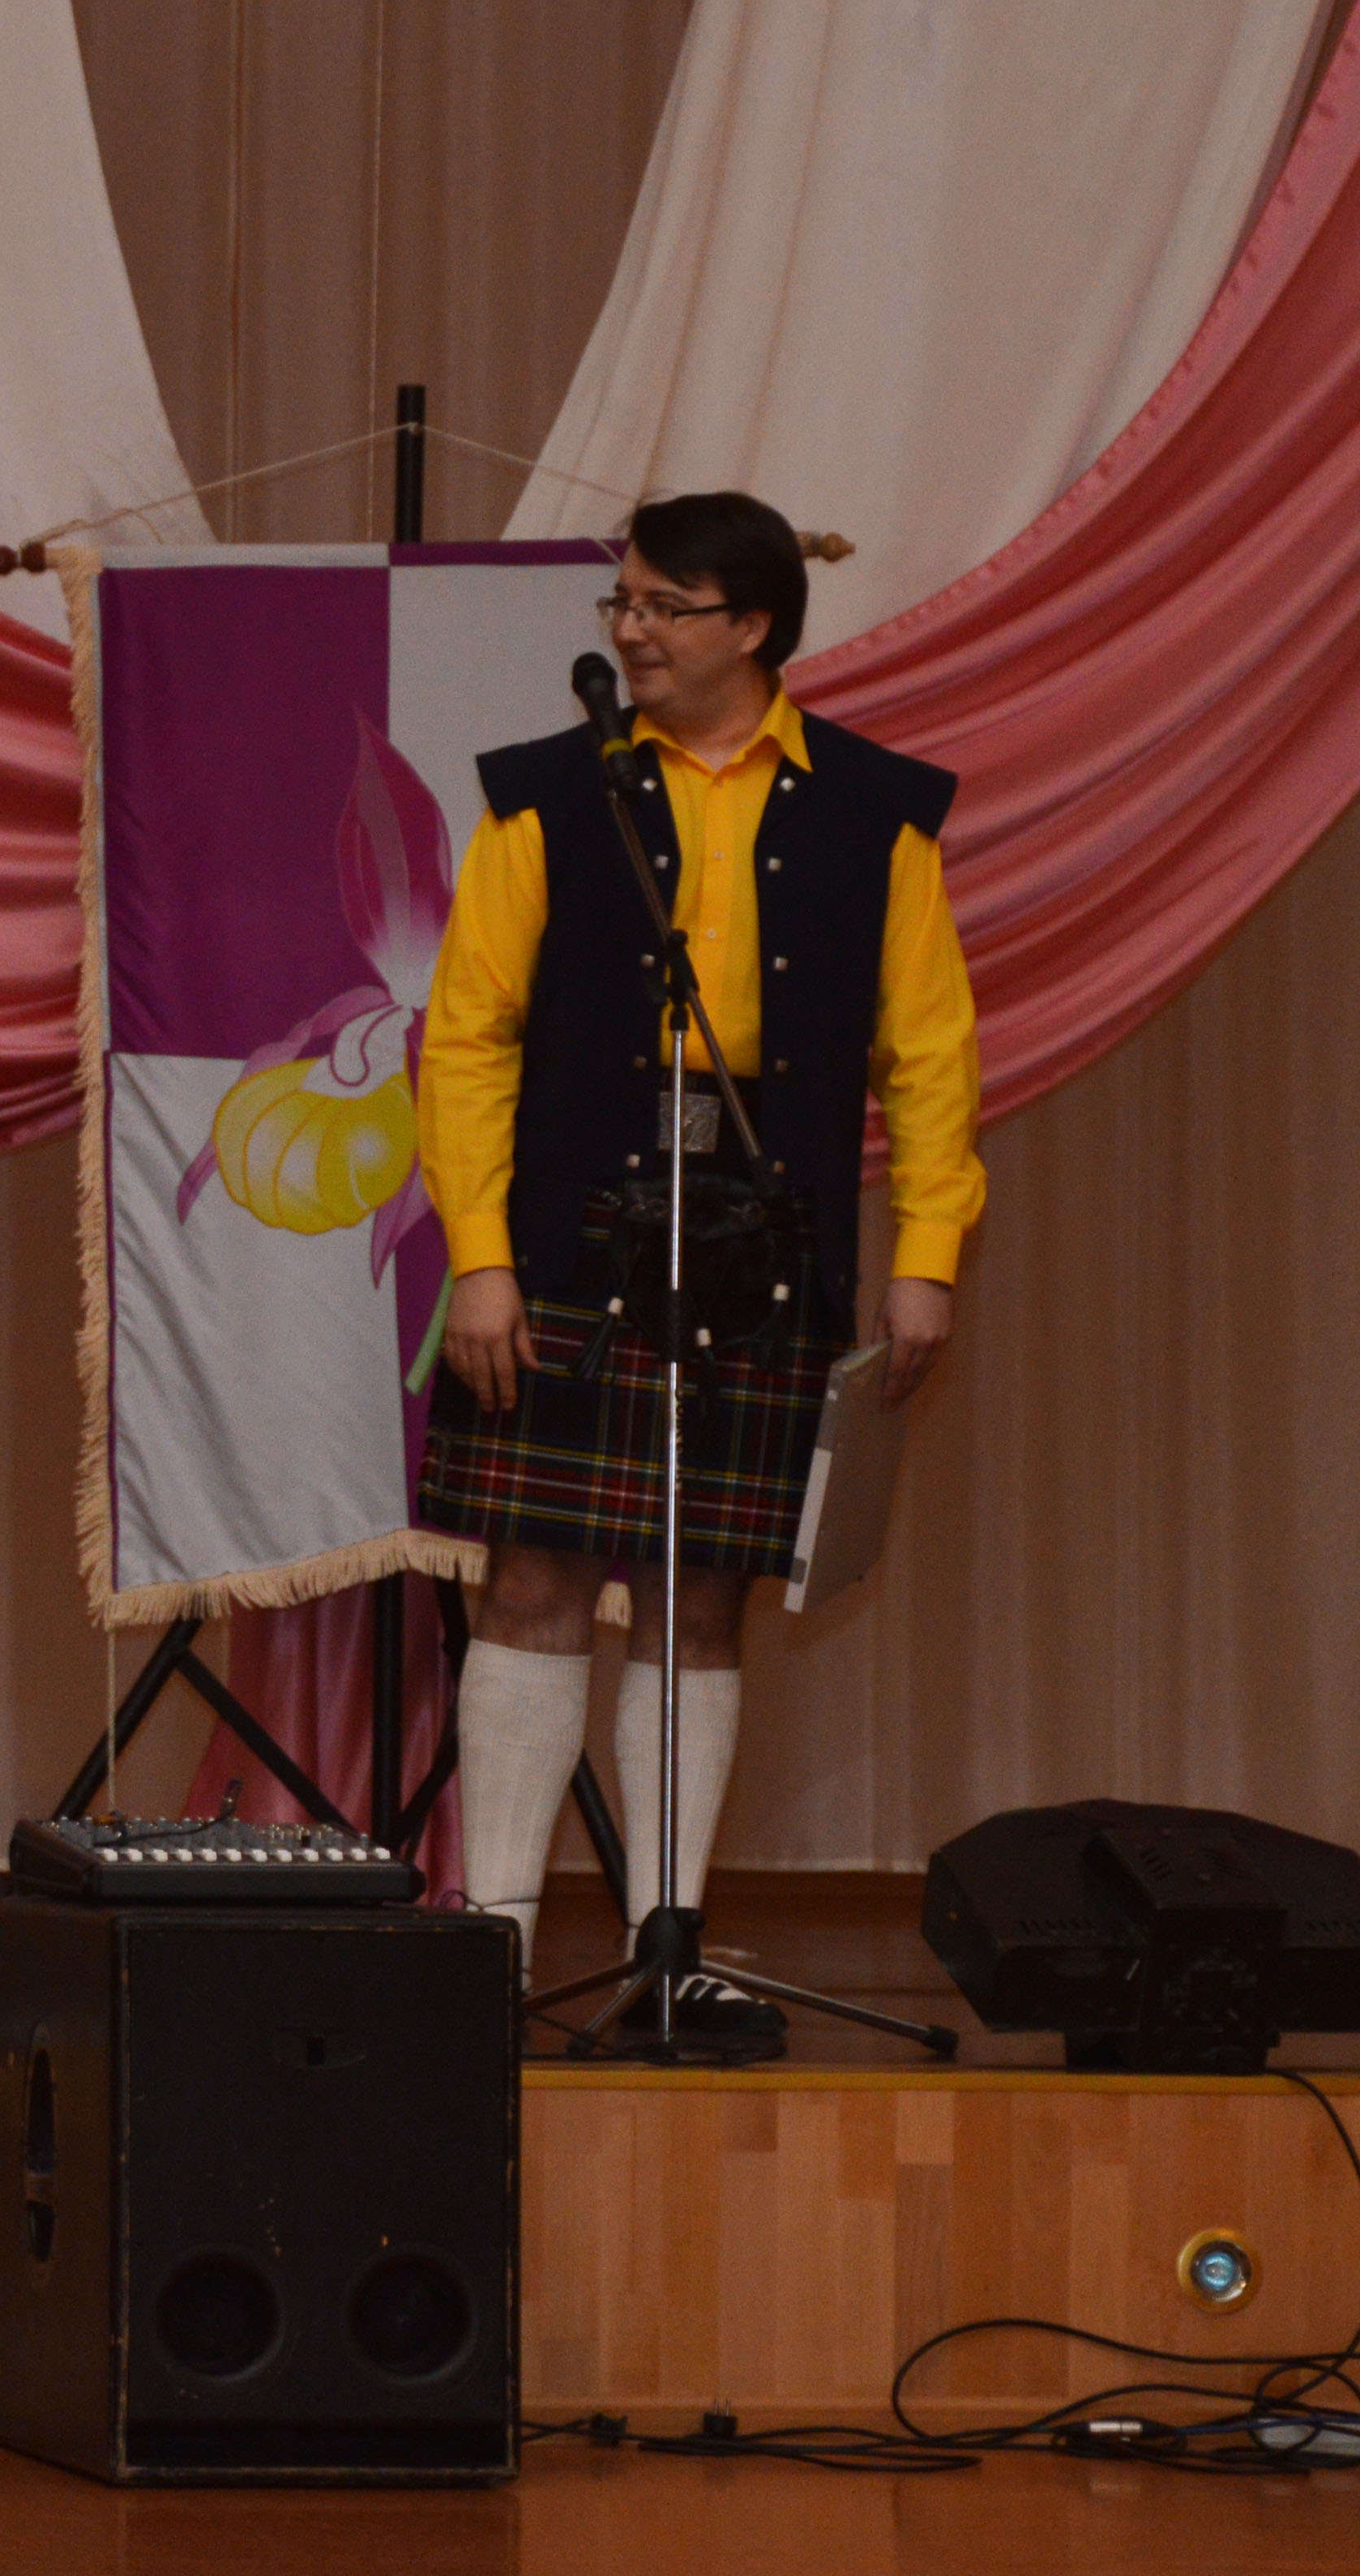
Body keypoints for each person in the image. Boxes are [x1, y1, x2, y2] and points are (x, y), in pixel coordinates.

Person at [412, 493, 984, 2056]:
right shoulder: (545, 795)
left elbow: (929, 1054)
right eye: (622, 603)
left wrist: (925, 1253)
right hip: (572, 1229)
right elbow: (466, 1038)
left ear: (753, 625)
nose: (630, 630)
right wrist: (481, 1257)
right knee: (532, 1577)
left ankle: (664, 1953)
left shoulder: (875, 809)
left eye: (663, 606)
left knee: (700, 1590)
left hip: (766, 1237)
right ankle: (492, 1947)